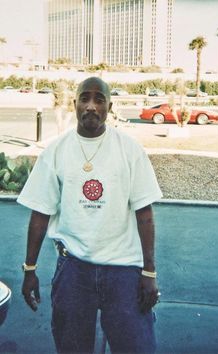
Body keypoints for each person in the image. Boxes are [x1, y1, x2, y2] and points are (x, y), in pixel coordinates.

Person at [18, 77, 163, 354]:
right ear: (75, 104)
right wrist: (29, 270)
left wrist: (149, 271)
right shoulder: (56, 151)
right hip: (74, 268)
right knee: (72, 347)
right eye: (85, 98)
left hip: (123, 269)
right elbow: (40, 214)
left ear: (110, 105)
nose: (91, 106)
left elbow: (144, 213)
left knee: (136, 347)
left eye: (99, 99)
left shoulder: (129, 150)